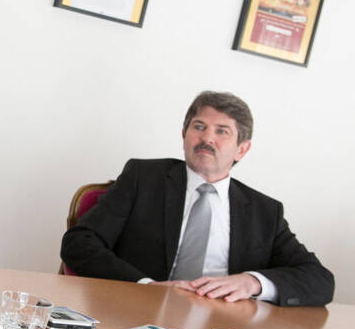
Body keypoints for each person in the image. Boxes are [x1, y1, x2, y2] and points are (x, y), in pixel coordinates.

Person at [60, 91, 334, 306]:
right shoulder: (143, 178)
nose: (207, 138)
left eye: (221, 131)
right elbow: (79, 243)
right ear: (184, 135)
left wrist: (253, 283)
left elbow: (320, 280)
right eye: (199, 126)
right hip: (136, 314)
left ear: (242, 149)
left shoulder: (264, 212)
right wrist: (145, 286)